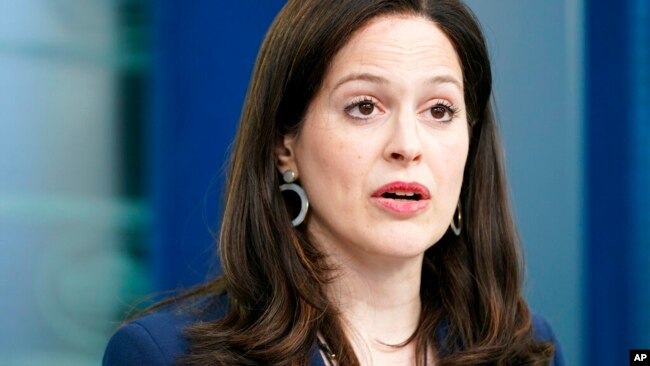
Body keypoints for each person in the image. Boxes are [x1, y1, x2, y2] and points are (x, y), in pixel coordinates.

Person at [104, 0, 565, 365]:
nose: (407, 145)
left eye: (439, 110)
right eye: (364, 106)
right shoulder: (165, 356)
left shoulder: (527, 350)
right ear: (285, 145)